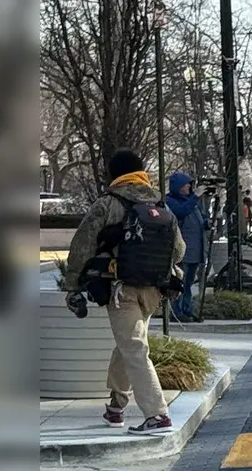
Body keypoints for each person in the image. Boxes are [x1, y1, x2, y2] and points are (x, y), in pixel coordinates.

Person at [61, 149, 185, 434]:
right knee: (130, 343)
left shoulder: (108, 203)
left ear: (114, 174)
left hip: (120, 289)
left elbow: (82, 246)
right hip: (154, 289)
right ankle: (116, 407)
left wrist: (72, 285)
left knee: (134, 348)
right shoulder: (160, 204)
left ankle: (157, 416)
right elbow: (179, 251)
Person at [165, 171, 206, 321]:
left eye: (189, 184)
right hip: (183, 250)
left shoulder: (192, 202)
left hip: (196, 249)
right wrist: (195, 197)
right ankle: (177, 311)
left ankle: (187, 309)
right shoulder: (170, 201)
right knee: (180, 282)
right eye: (185, 185)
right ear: (177, 187)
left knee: (189, 284)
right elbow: (181, 212)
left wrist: (208, 223)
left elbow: (201, 218)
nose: (189, 187)